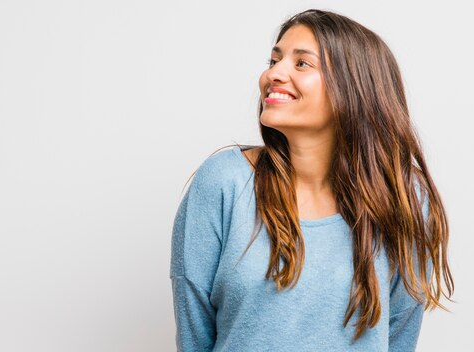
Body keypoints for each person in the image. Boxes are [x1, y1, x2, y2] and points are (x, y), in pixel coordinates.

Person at [169, 9, 454, 352]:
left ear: (353, 88)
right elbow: (194, 335)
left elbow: (400, 336)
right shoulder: (223, 183)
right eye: (274, 60)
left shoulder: (404, 198)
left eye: (301, 63)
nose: (273, 73)